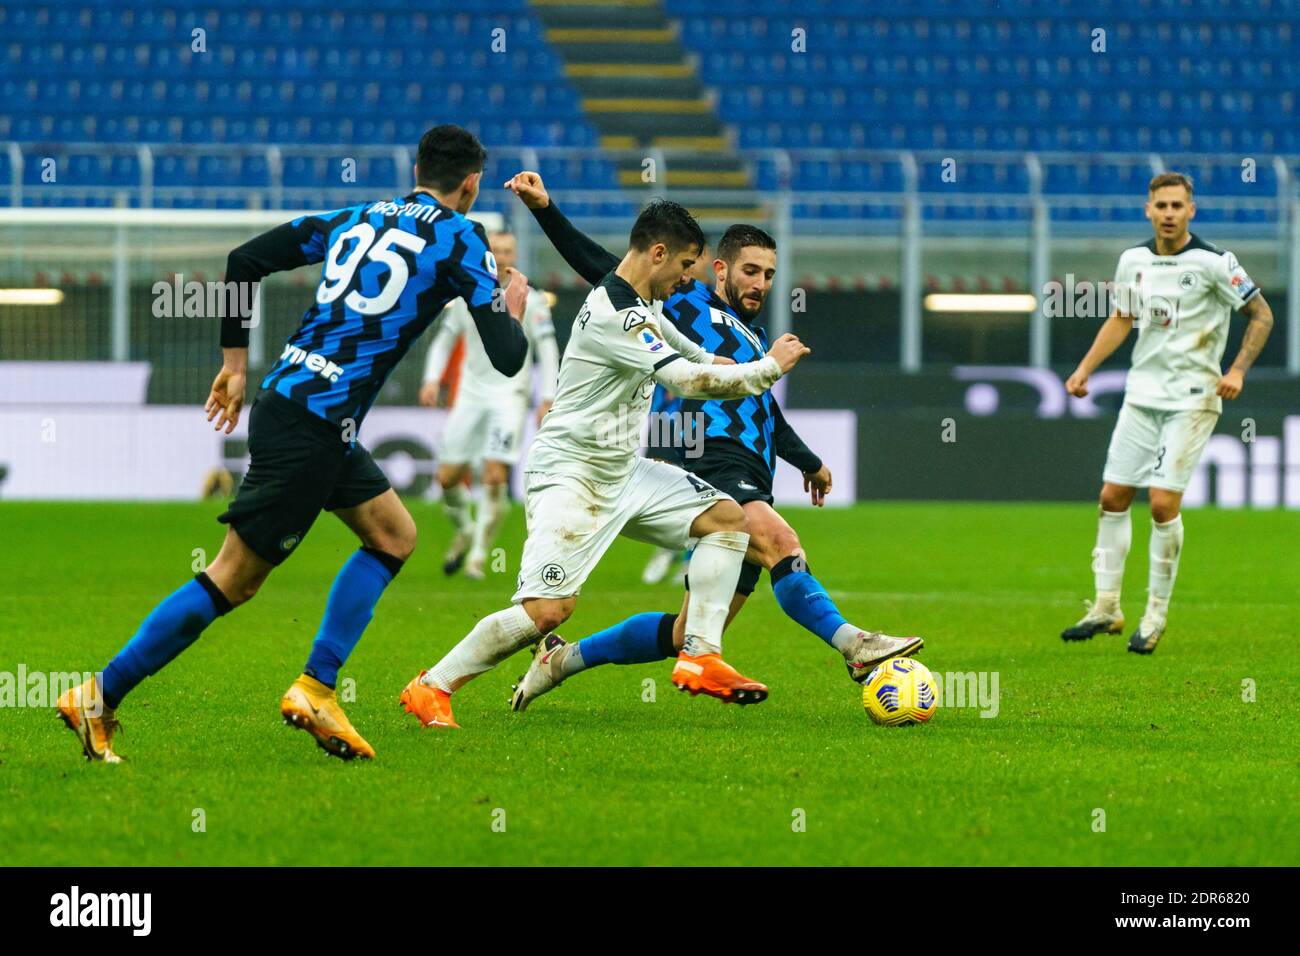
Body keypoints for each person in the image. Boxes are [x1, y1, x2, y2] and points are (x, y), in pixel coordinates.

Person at [56, 125, 530, 761]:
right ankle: (100, 696)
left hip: (298, 405)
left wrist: (233, 364)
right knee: (234, 578)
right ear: (471, 183)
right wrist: (513, 308)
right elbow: (505, 357)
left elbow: (244, 261)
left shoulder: (355, 215)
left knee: (393, 534)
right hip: (314, 424)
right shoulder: (461, 236)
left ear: (418, 167)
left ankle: (318, 687)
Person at [498, 172, 923, 715]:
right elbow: (605, 269)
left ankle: (561, 660)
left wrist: (808, 462)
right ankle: (855, 647)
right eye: (750, 270)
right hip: (707, 458)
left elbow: (763, 408)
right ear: (718, 269)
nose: (761, 282)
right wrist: (545, 209)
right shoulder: (685, 302)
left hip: (751, 470)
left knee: (685, 633)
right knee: (780, 542)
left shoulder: (752, 338)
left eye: (770, 274)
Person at [399, 199, 812, 729]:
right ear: (658, 253)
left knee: (728, 519)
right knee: (547, 614)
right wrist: (768, 368)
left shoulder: (646, 305)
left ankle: (700, 654)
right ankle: (432, 685)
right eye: (685, 266)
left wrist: (726, 363)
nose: (687, 279)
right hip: (571, 473)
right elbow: (683, 380)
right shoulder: (617, 313)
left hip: (622, 470)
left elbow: (689, 353)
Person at [1062, 172, 1273, 654]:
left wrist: (1237, 370)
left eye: (1178, 205)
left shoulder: (1216, 263)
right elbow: (1121, 318)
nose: (1170, 213)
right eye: (1162, 205)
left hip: (1193, 396)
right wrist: (1084, 370)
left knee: (1161, 504)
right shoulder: (1132, 260)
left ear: (1191, 211)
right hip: (1141, 394)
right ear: (1148, 210)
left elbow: (1262, 315)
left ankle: (1154, 615)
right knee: (1112, 496)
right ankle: (1107, 607)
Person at [420, 229, 559, 580]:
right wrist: (432, 379)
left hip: (510, 396)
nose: (502, 256)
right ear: (487, 254)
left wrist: (547, 396)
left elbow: (547, 349)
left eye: (508, 251)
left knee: (495, 475)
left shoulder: (533, 299)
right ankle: (465, 530)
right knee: (447, 476)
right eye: (495, 250)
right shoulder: (469, 294)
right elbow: (444, 340)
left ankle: (479, 556)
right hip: (470, 395)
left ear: (515, 256)